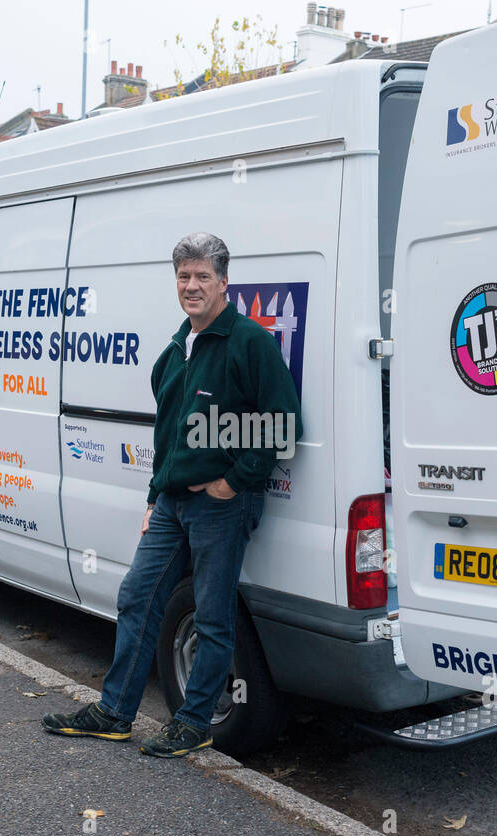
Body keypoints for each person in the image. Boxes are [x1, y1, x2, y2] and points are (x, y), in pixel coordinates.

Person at [42, 232, 302, 757]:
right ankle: (115, 713)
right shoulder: (176, 346)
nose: (192, 285)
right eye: (184, 276)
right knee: (138, 595)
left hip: (222, 504)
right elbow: (169, 432)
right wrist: (153, 496)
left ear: (224, 283)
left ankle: (195, 720)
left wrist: (233, 481)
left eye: (203, 276)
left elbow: (282, 425)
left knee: (210, 614)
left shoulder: (250, 342)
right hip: (171, 503)